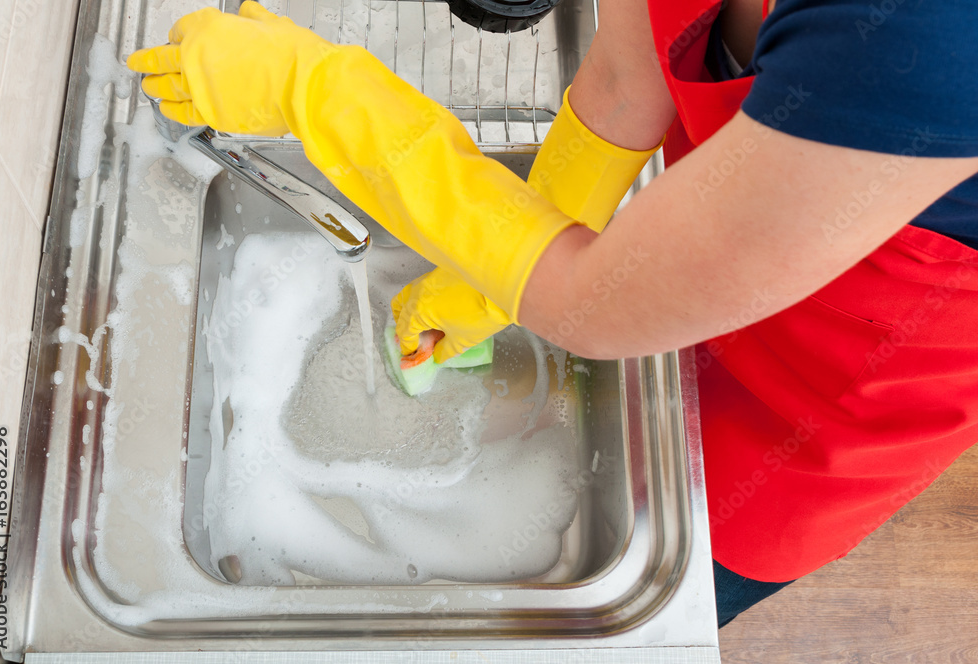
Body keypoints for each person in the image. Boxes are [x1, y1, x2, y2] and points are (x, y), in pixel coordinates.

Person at [129, 0, 978, 627]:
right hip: (690, 250)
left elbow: (596, 304)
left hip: (814, 404)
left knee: (650, 590)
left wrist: (318, 92)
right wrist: (487, 281)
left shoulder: (928, 42)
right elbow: (622, 81)